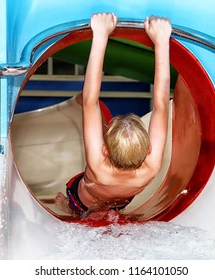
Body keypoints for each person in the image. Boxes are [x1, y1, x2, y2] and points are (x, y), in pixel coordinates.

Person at [55, 13, 172, 218]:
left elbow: (90, 101)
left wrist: (100, 35)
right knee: (111, 209)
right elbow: (162, 105)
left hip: (81, 201)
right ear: (149, 149)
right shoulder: (152, 167)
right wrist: (162, 42)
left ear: (104, 151)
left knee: (78, 211)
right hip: (120, 202)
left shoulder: (98, 165)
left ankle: (69, 208)